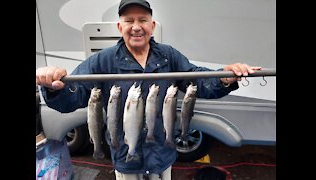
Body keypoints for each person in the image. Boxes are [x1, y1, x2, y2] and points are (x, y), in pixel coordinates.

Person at [36, 0, 262, 179]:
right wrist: (55, 89)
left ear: (152, 26)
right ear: (119, 26)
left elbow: (199, 82)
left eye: (143, 20)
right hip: (125, 157)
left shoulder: (169, 55)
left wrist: (224, 78)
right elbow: (71, 98)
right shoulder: (102, 61)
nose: (136, 27)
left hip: (162, 153)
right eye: (129, 20)